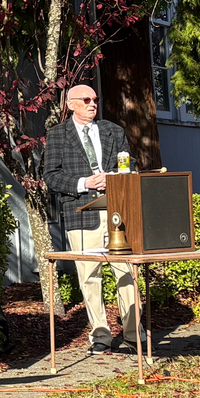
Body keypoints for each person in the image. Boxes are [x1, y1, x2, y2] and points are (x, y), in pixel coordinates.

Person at [40, 84, 137, 352]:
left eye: (95, 99)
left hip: (117, 211)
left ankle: (133, 334)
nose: (92, 104)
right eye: (85, 100)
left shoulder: (112, 131)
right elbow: (51, 176)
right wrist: (85, 182)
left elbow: (130, 165)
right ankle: (101, 336)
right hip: (81, 214)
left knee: (127, 272)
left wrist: (113, 177)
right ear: (70, 104)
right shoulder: (58, 135)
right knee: (89, 276)